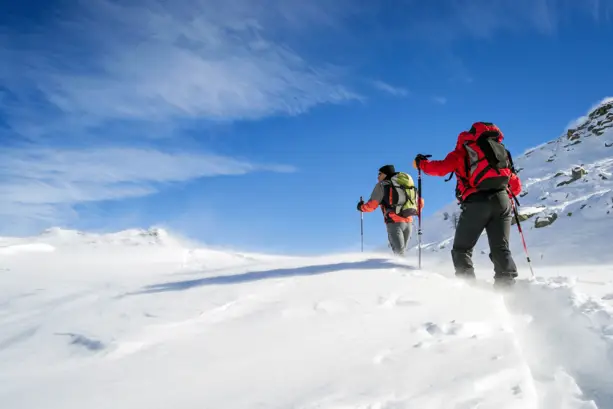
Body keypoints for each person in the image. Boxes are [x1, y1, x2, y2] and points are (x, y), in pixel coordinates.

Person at [413, 122, 522, 288]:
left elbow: (441, 168)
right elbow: (516, 186)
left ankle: (469, 290)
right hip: (502, 201)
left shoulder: (463, 150)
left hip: (477, 202)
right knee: (501, 247)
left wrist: (421, 164)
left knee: (462, 249)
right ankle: (506, 288)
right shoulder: (500, 152)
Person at [357, 164, 424, 256]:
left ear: (385, 174)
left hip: (394, 222)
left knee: (399, 255)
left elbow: (372, 205)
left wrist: (361, 207)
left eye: (380, 174)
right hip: (409, 222)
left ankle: (398, 270)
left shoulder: (382, 185)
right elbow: (420, 203)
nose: (378, 176)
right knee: (402, 254)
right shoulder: (406, 184)